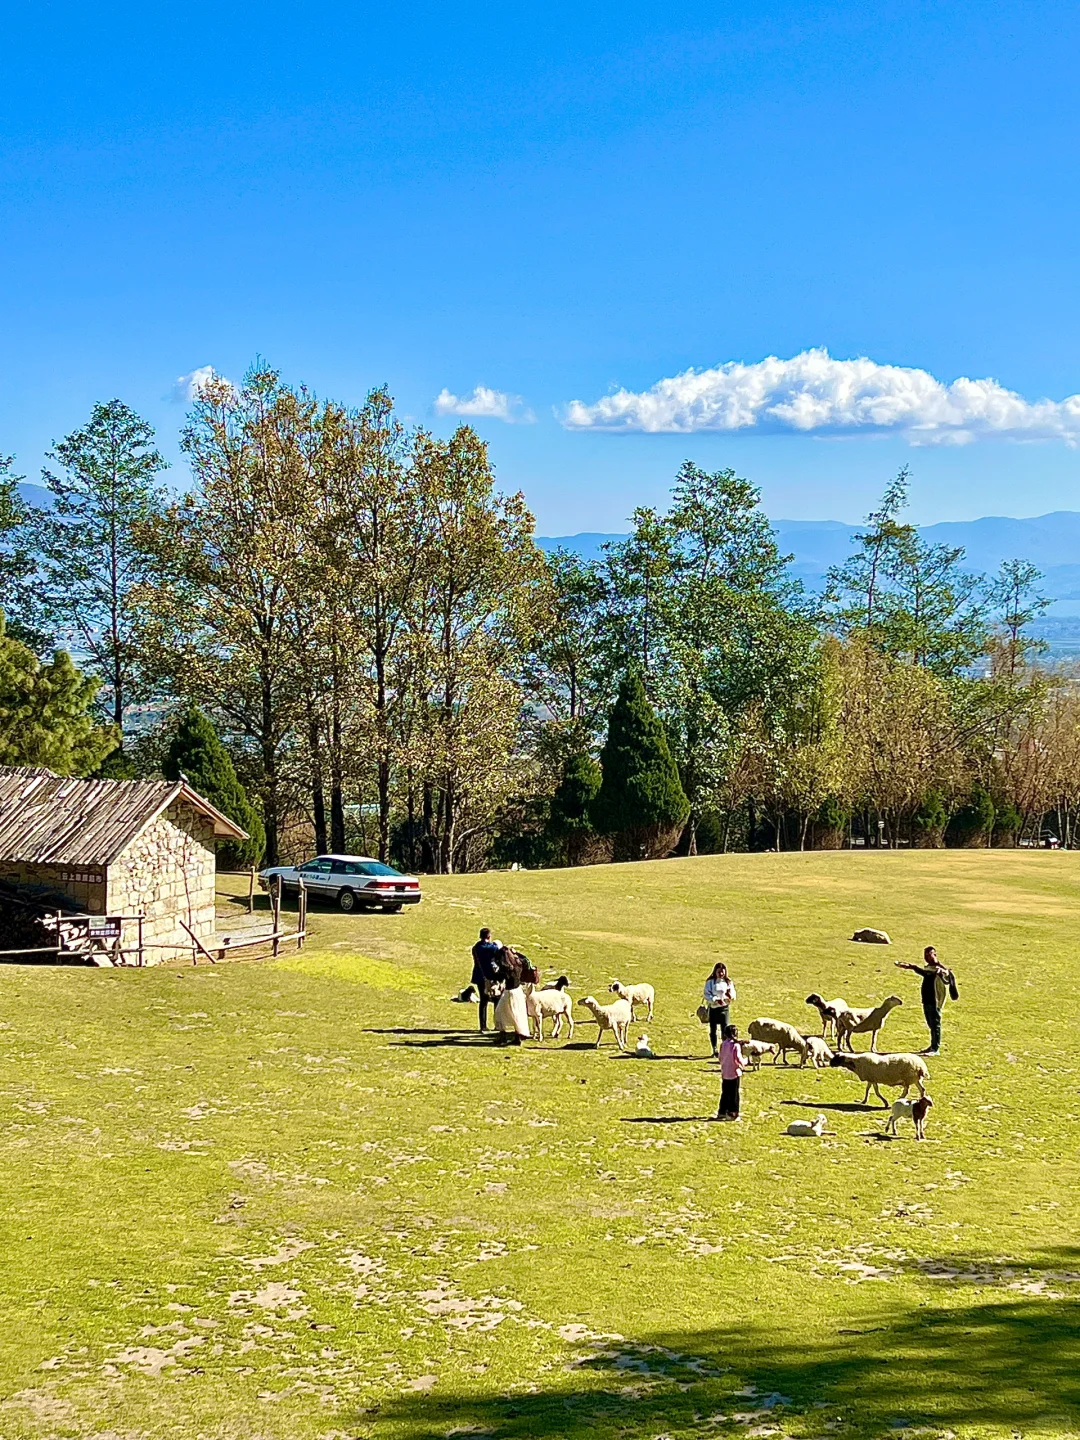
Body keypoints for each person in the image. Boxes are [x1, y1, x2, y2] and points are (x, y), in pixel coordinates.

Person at [895, 946, 959, 1056]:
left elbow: (946, 979)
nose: (927, 957)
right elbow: (925, 973)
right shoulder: (929, 968)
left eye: (929, 955)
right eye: (925, 955)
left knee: (935, 1025)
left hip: (935, 1000)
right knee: (930, 1024)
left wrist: (944, 972)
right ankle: (932, 1046)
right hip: (927, 1000)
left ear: (935, 955)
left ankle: (935, 1049)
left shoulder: (939, 969)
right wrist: (911, 967)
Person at [493, 945, 537, 1046]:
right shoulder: (518, 965)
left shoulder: (506, 969)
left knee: (500, 1014)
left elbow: (498, 977)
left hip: (509, 993)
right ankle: (517, 1037)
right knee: (517, 1015)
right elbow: (526, 959)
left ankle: (503, 1037)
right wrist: (516, 953)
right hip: (518, 991)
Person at [470, 927, 503, 1033]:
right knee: (496, 1000)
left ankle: (483, 1026)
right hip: (492, 976)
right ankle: (497, 1024)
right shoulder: (493, 948)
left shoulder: (475, 947)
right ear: (489, 936)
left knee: (483, 1001)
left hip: (480, 976)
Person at [703, 961, 736, 1057]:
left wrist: (729, 997)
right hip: (714, 1009)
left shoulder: (728, 982)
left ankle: (724, 1049)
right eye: (719, 972)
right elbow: (706, 994)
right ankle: (714, 1049)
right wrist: (715, 1000)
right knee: (713, 1030)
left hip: (724, 1009)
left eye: (722, 972)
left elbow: (733, 994)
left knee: (725, 1030)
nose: (721, 974)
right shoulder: (710, 982)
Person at [716, 1023, 744, 1121]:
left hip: (725, 1073)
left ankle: (722, 1111)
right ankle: (732, 1113)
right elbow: (738, 1059)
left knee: (725, 1093)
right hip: (734, 1073)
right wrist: (744, 1063)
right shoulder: (735, 1045)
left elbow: (720, 1057)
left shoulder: (723, 1044)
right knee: (734, 1095)